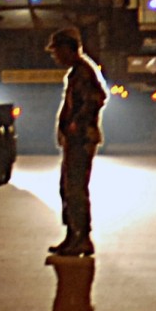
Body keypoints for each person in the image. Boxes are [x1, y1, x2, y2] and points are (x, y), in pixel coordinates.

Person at [46, 26, 108, 258]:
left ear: (68, 49)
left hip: (81, 140)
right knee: (68, 187)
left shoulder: (83, 72)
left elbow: (97, 98)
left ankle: (81, 238)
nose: (55, 56)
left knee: (75, 188)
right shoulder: (76, 72)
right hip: (75, 140)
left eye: (57, 51)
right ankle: (73, 236)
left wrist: (78, 123)